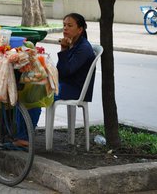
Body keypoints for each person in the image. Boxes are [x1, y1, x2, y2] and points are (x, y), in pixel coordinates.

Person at [13, 13, 95, 149]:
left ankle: (25, 137)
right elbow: (60, 72)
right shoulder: (73, 44)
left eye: (70, 26)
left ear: (80, 29)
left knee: (37, 93)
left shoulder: (83, 48)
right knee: (27, 88)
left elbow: (66, 72)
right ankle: (20, 134)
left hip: (75, 89)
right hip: (64, 84)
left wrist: (63, 50)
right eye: (64, 25)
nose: (65, 29)